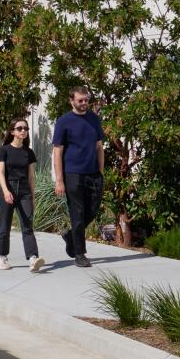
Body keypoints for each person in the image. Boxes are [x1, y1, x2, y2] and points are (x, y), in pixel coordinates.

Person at [51, 86, 105, 268]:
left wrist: (101, 171)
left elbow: (99, 147)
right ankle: (80, 254)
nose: (84, 104)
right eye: (80, 100)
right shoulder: (64, 122)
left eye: (86, 100)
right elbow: (57, 152)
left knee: (94, 208)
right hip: (72, 174)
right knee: (78, 212)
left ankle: (70, 235)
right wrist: (59, 180)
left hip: (93, 173)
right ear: (72, 101)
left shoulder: (94, 120)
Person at [0, 117, 44, 273]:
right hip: (7, 190)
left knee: (27, 226)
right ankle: (2, 257)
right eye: (20, 128)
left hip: (24, 192)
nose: (23, 131)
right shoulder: (4, 150)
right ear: (12, 131)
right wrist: (6, 191)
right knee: (5, 226)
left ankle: (33, 258)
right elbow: (0, 173)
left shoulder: (28, 152)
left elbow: (31, 177)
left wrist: (32, 197)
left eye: (26, 129)